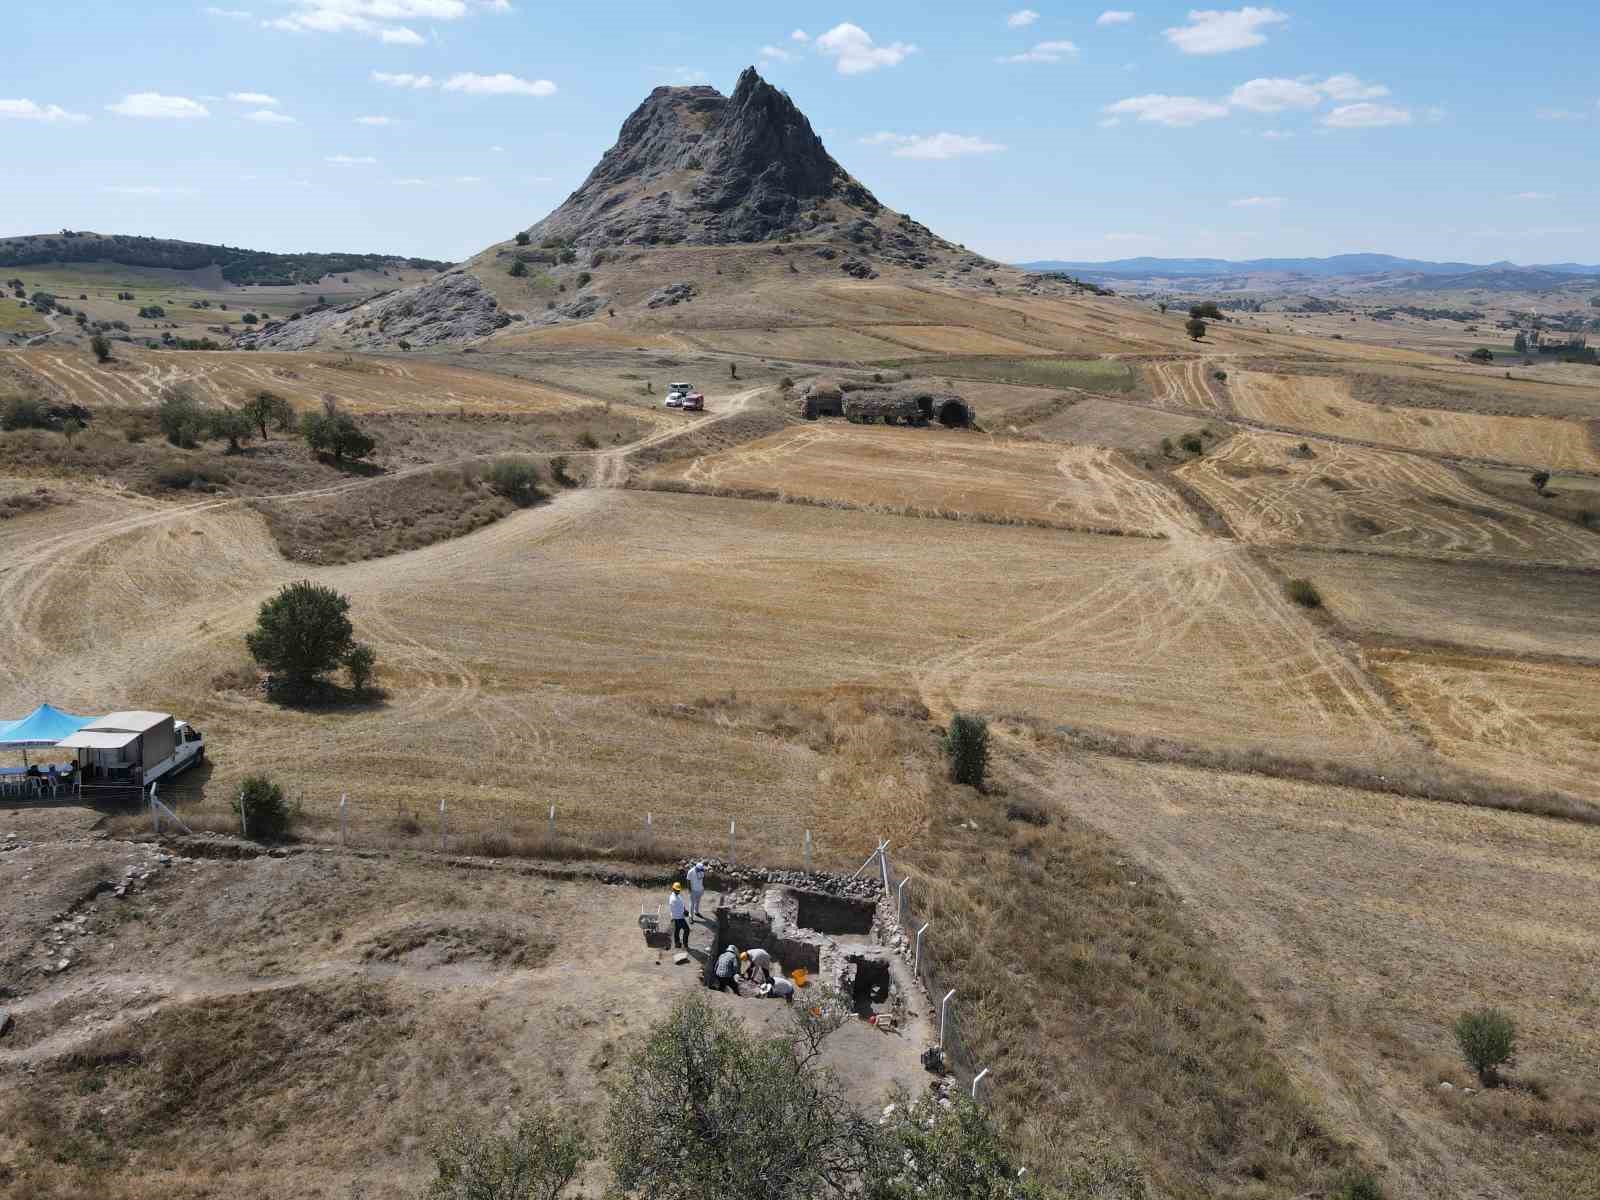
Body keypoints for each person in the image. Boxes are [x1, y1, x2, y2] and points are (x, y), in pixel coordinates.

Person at [668, 882, 690, 949]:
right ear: (673, 889)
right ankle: (685, 945)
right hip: (678, 918)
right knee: (687, 930)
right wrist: (685, 913)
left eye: (679, 890)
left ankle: (677, 944)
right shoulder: (673, 899)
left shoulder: (677, 896)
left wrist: (684, 909)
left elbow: (682, 904)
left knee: (677, 930)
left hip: (677, 917)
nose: (678, 891)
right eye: (676, 890)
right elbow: (678, 910)